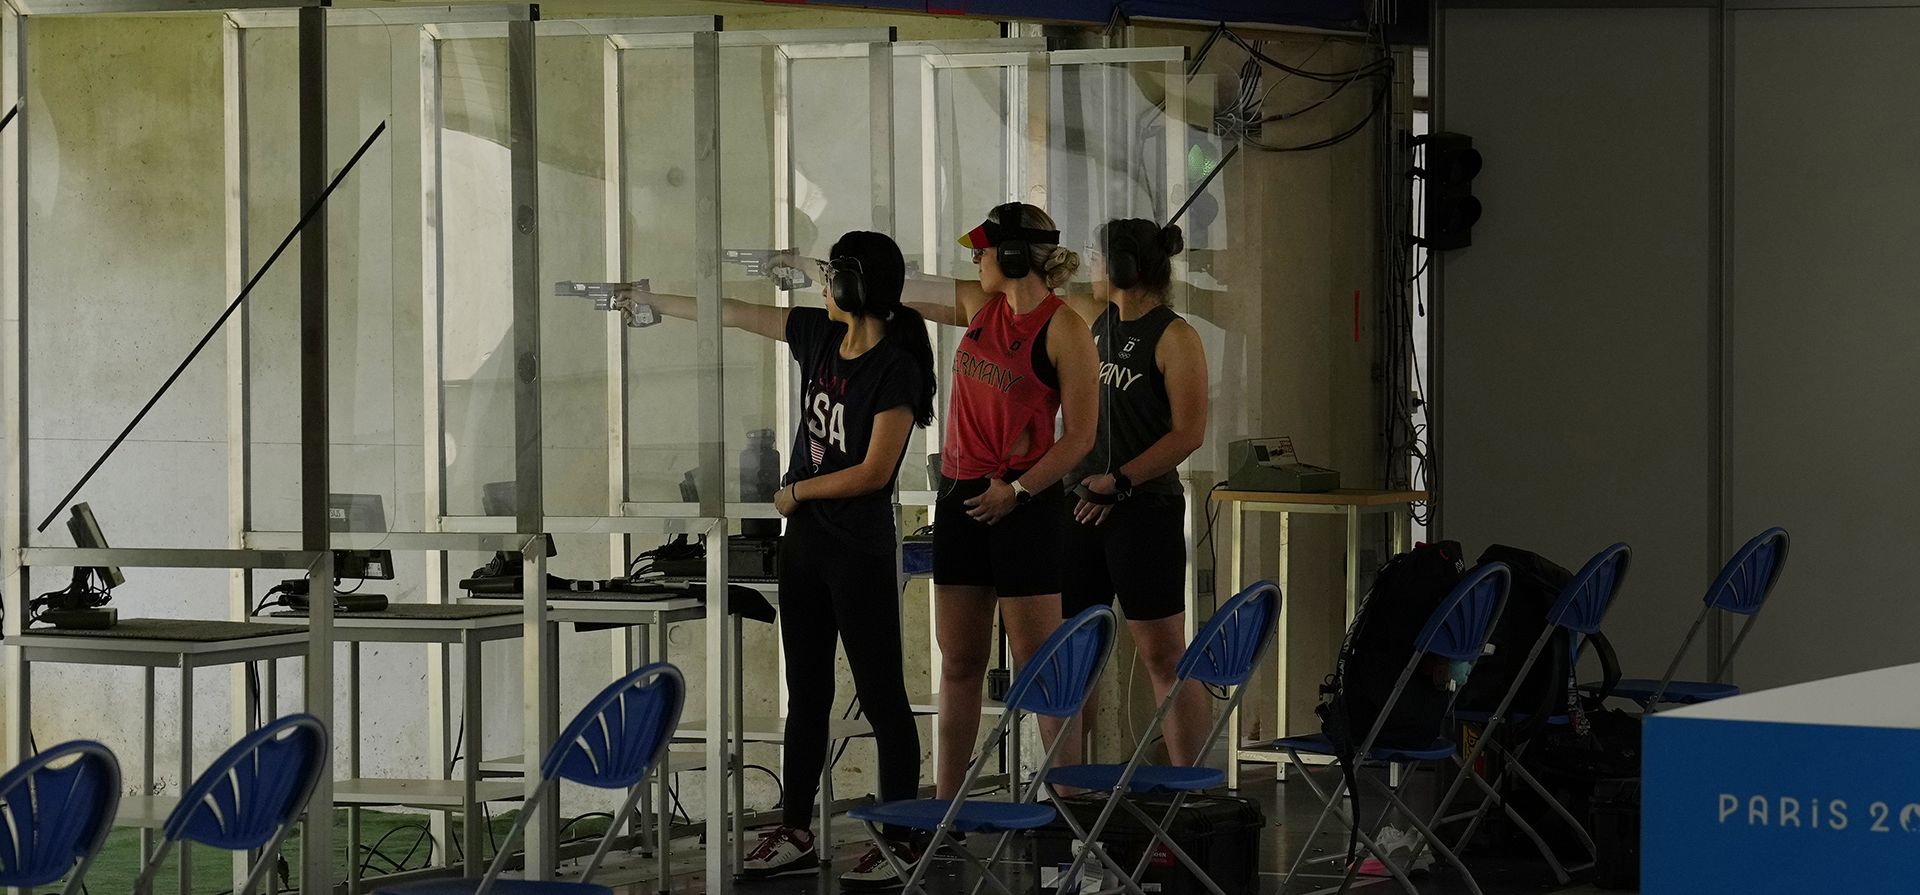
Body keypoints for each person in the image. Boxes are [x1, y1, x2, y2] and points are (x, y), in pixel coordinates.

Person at [620, 232, 934, 889]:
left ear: (853, 285)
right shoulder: (820, 335)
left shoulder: (896, 368)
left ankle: (902, 837)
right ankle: (795, 829)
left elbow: (874, 472)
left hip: (857, 549)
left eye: (831, 273)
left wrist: (797, 492)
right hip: (808, 547)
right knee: (807, 692)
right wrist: (653, 301)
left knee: (882, 696)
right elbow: (734, 312)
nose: (822, 283)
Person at [902, 203, 1100, 799]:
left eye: (984, 251)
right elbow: (900, 287)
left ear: (1014, 256)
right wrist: (822, 268)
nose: (976, 260)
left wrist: (1017, 491)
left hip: (1024, 501)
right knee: (959, 660)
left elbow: (1081, 438)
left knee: (1041, 662)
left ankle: (1067, 806)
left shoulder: (1064, 329)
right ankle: (947, 805)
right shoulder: (978, 305)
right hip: (961, 495)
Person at [1058, 219, 1211, 767]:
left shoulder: (1175, 337)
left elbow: (1188, 434)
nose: (1092, 267)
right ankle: (1069, 785)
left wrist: (1120, 480)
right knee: (1073, 654)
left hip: (1143, 509)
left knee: (1162, 653)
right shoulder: (1093, 321)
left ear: (1124, 267)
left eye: (1098, 258)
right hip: (1082, 505)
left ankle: (1191, 786)